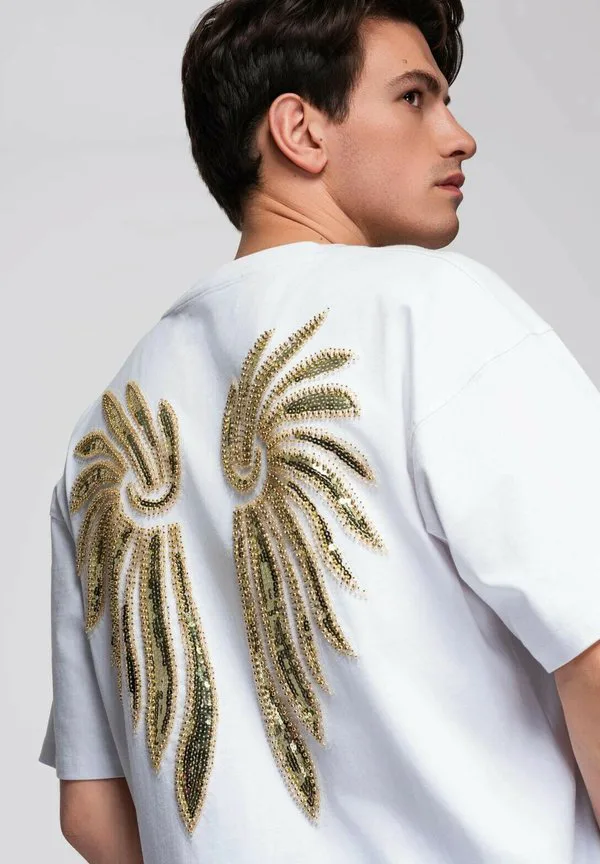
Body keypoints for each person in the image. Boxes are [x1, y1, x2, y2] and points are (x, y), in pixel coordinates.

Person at [38, 1, 600, 862]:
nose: (459, 137)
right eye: (414, 98)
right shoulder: (432, 314)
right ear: (299, 130)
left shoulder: (101, 437)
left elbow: (92, 811)